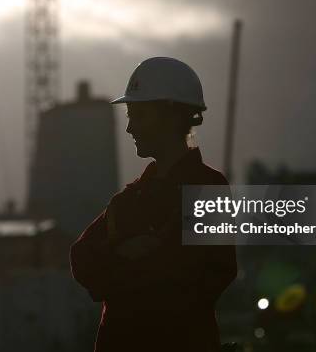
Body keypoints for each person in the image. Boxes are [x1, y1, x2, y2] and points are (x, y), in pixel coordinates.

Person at [70, 57, 237, 352]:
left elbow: (212, 275)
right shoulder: (128, 200)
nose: (130, 128)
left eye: (139, 116)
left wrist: (117, 264)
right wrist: (130, 256)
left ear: (171, 116)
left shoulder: (208, 190)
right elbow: (81, 259)